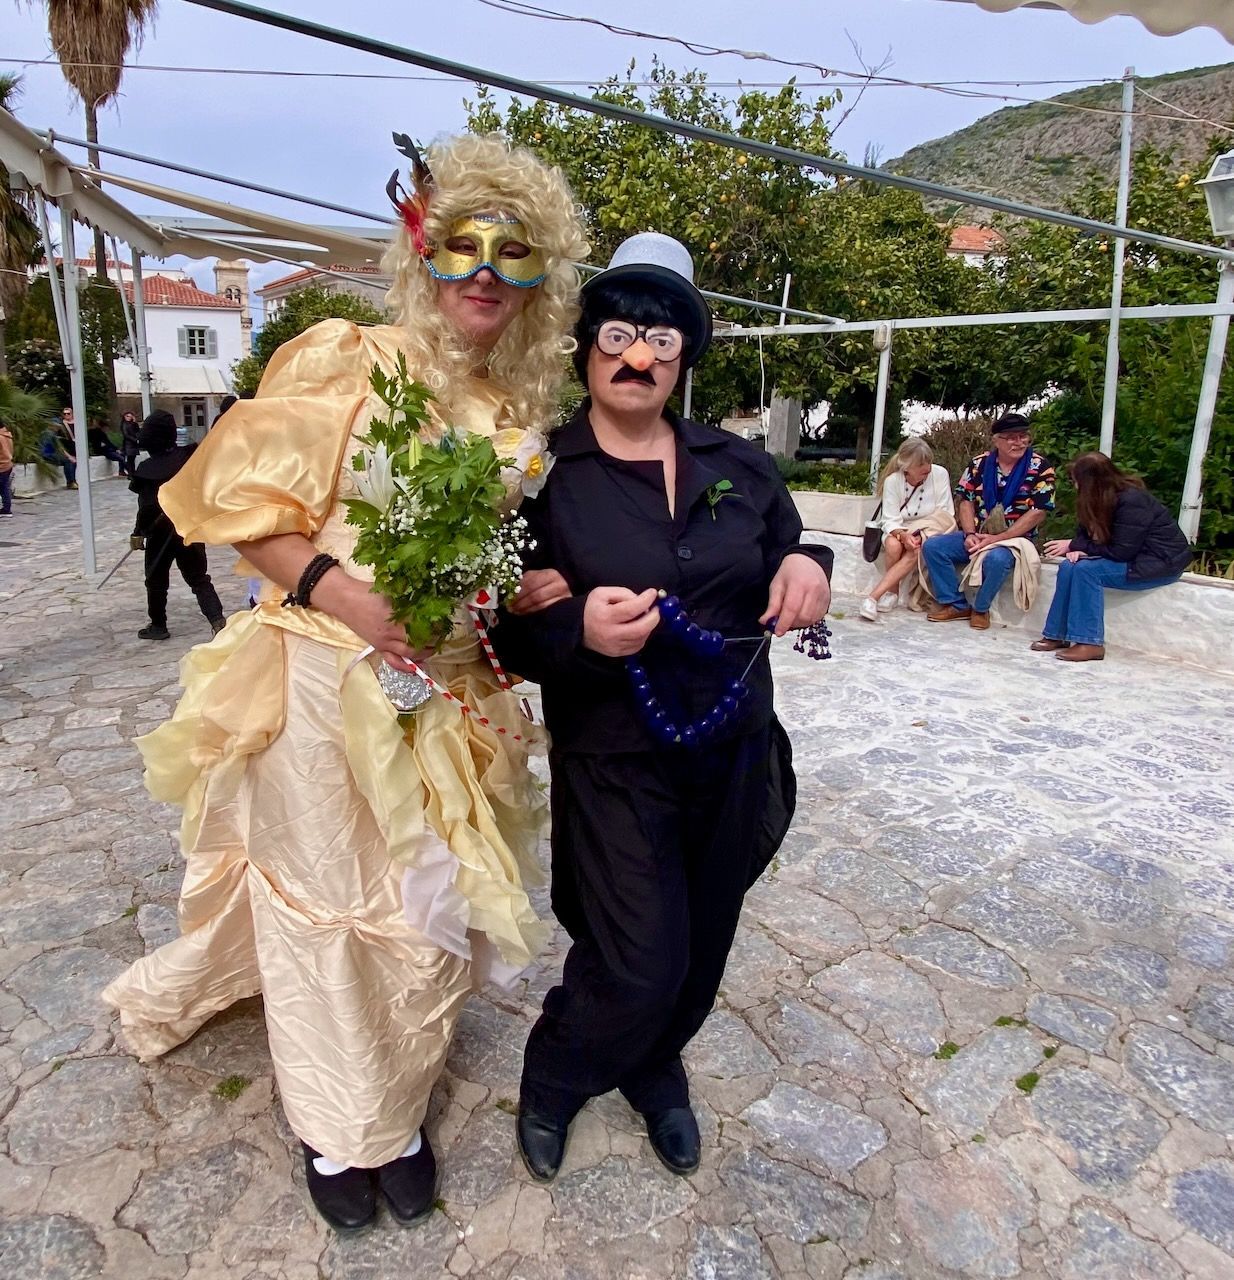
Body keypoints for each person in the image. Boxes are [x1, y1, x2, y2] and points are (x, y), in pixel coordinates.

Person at [102, 133, 587, 1234]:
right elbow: (245, 515)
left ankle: (395, 1108)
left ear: (537, 282)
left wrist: (518, 596)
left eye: (513, 255)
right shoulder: (346, 359)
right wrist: (342, 593)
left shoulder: (512, 416)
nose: (482, 273)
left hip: (447, 698)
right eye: (462, 244)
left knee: (425, 912)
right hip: (324, 687)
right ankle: (342, 1124)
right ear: (423, 252)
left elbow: (479, 567)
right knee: (331, 908)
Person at [490, 233, 833, 1184]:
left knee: (702, 940)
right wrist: (576, 638)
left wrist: (811, 564)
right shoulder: (540, 480)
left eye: (662, 337)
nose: (637, 356)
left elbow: (790, 545)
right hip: (614, 753)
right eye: (617, 334)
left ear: (683, 353)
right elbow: (503, 630)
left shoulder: (741, 464)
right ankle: (557, 1073)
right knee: (637, 954)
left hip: (730, 744)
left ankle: (654, 1067)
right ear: (589, 347)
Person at [1032, 452, 1191, 663]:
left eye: (1076, 480)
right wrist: (1080, 548)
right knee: (1069, 566)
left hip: (1160, 563)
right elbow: (1084, 533)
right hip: (1134, 559)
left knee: (1086, 571)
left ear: (1089, 481)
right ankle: (1057, 634)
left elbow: (1122, 551)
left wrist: (1076, 545)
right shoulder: (1097, 498)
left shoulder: (1133, 500)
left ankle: (1090, 642)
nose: (1075, 485)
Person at [922, 412, 1055, 629]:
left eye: (1023, 436)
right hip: (979, 533)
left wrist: (999, 538)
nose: (1019, 442)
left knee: (997, 560)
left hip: (1015, 540)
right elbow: (965, 499)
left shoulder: (1041, 467)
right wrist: (970, 534)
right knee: (934, 547)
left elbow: (1039, 511)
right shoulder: (979, 463)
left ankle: (981, 609)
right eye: (1012, 437)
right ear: (997, 440)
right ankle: (955, 604)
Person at [128, 409, 226, 641]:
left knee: (155, 580)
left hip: (160, 533)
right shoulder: (189, 456)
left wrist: (138, 532)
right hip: (187, 528)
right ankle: (217, 621)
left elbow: (148, 508)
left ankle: (158, 625)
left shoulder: (147, 470)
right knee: (199, 578)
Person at [859, 437, 955, 622]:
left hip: (933, 525)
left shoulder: (940, 474)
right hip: (902, 528)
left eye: (928, 467)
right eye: (921, 469)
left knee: (915, 548)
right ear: (907, 467)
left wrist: (917, 533)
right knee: (893, 546)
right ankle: (892, 592)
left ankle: (873, 597)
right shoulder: (893, 481)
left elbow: (945, 512)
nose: (926, 472)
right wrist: (903, 534)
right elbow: (889, 519)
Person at [40, 409, 77, 489]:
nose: (58, 428)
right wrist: (69, 456)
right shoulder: (49, 434)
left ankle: (72, 481)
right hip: (47, 454)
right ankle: (71, 482)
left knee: (69, 460)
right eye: (57, 426)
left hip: (48, 453)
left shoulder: (48, 433)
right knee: (68, 461)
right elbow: (57, 448)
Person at [120, 409, 142, 476]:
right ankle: (130, 473)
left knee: (132, 459)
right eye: (127, 416)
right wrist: (135, 440)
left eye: (130, 416)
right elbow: (126, 435)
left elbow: (138, 431)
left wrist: (135, 422)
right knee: (130, 459)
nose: (129, 417)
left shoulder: (133, 424)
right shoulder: (124, 424)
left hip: (134, 444)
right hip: (128, 444)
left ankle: (132, 473)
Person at [0, 413, 14, 518]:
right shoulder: (6, 435)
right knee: (4, 487)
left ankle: (6, 509)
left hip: (2, 465)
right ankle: (6, 508)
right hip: (8, 464)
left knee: (4, 487)